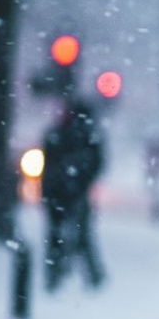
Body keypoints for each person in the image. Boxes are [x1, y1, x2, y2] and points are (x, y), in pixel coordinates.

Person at [42, 98, 105, 291]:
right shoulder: (87, 137)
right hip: (70, 192)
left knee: (58, 235)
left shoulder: (59, 134)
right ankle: (90, 275)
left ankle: (55, 275)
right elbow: (96, 164)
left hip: (58, 192)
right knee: (80, 234)